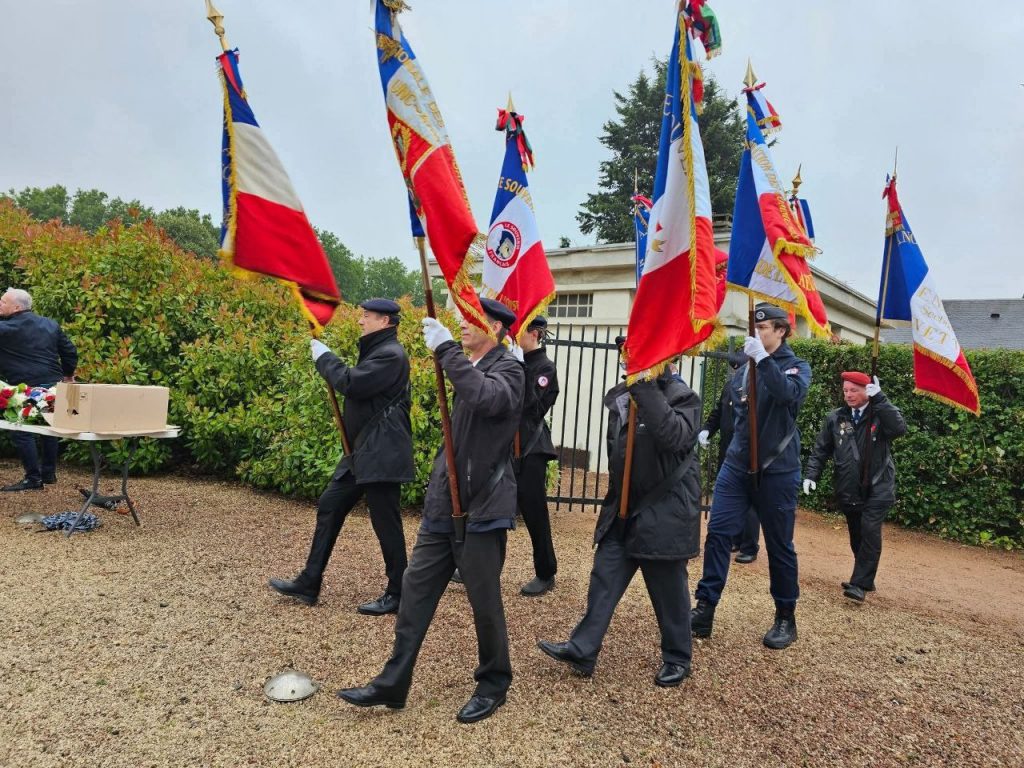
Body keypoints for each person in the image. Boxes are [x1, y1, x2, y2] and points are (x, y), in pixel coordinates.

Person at [338, 297, 524, 724]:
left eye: (469, 320)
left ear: (494, 328)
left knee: (484, 601)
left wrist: (446, 352)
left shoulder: (509, 370)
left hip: (482, 507)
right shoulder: (472, 366)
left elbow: (485, 401)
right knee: (415, 592)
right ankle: (394, 681)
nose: (460, 325)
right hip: (446, 502)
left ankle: (494, 681)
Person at [537, 359, 702, 687]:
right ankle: (583, 649)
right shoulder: (623, 396)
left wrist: (644, 388)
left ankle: (677, 657)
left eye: (638, 352)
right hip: (623, 510)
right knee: (604, 578)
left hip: (664, 512)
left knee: (668, 591)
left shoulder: (684, 397)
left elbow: (675, 436)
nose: (628, 358)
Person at [268, 299, 414, 616]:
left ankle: (400, 594)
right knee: (331, 504)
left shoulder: (391, 355)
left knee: (386, 524)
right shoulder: (379, 351)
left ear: (385, 321)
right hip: (363, 452)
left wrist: (325, 358)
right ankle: (309, 581)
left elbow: (351, 383)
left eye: (367, 316)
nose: (360, 321)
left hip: (382, 454)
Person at [691, 303, 811, 649]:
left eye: (765, 329)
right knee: (718, 533)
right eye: (756, 329)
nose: (758, 334)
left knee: (779, 546)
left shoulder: (796, 367)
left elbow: (788, 395)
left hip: (778, 469)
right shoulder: (744, 369)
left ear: (782, 331)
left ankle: (785, 616)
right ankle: (705, 608)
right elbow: (737, 413)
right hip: (738, 465)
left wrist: (764, 361)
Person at [803, 371, 907, 602]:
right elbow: (822, 449)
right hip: (849, 487)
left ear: (866, 391)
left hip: (878, 486)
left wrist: (880, 398)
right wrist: (812, 474)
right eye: (845, 390)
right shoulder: (836, 417)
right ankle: (866, 577)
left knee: (870, 531)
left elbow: (899, 428)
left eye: (854, 390)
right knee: (857, 534)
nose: (848, 395)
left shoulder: (879, 414)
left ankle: (859, 584)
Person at [0, 288, 77, 491]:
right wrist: (68, 376)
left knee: (21, 429)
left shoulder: (5, 329)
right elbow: (69, 351)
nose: (0, 305)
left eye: (3, 302)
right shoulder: (50, 325)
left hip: (24, 388)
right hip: (53, 384)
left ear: (17, 307)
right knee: (49, 427)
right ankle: (48, 473)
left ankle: (33, 479)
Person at [698, 352, 761, 564]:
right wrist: (707, 429)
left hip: (750, 452)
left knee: (751, 500)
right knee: (733, 498)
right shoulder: (729, 387)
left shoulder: (757, 388)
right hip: (728, 450)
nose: (734, 373)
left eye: (738, 369)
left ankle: (749, 546)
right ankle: (735, 538)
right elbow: (718, 412)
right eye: (733, 369)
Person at [512, 316, 560, 597]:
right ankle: (473, 564)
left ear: (534, 334)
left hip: (531, 447)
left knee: (534, 513)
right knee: (487, 506)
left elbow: (531, 406)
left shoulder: (545, 368)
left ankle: (546, 571)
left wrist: (519, 368)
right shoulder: (512, 360)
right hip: (505, 445)